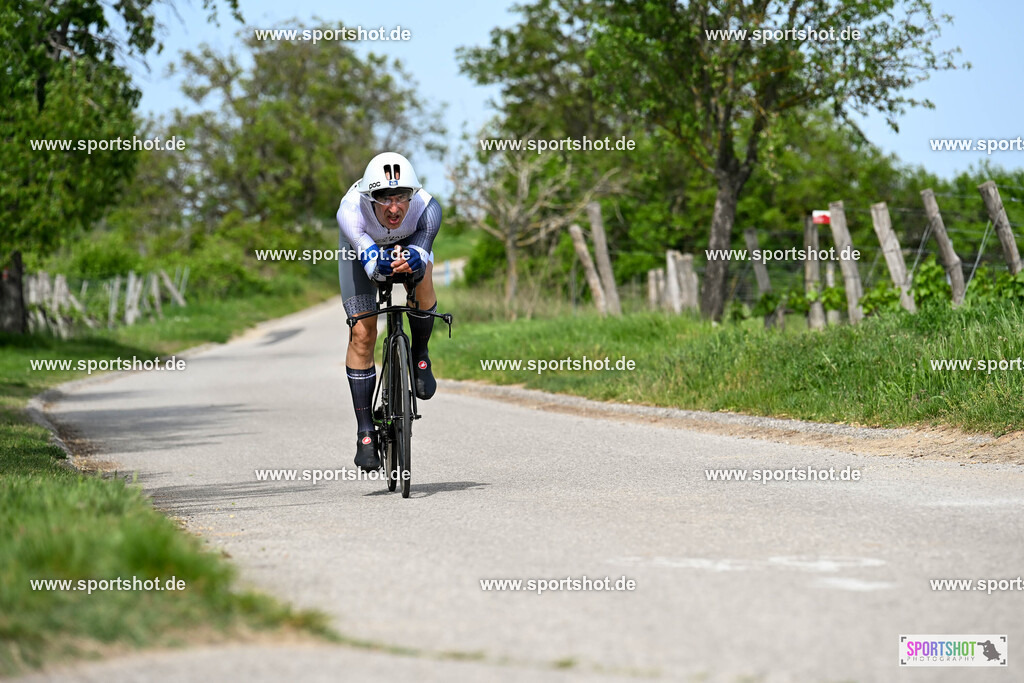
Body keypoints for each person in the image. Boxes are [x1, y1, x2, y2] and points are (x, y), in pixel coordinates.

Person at [337, 152, 442, 471]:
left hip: (410, 243)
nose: (394, 208)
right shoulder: (351, 209)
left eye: (401, 198)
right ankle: (365, 431)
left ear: (412, 195)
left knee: (422, 272)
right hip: (360, 248)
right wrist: (379, 262)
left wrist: (413, 258)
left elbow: (422, 244)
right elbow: (370, 262)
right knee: (362, 334)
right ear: (371, 198)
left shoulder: (428, 207)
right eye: (384, 199)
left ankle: (420, 354)